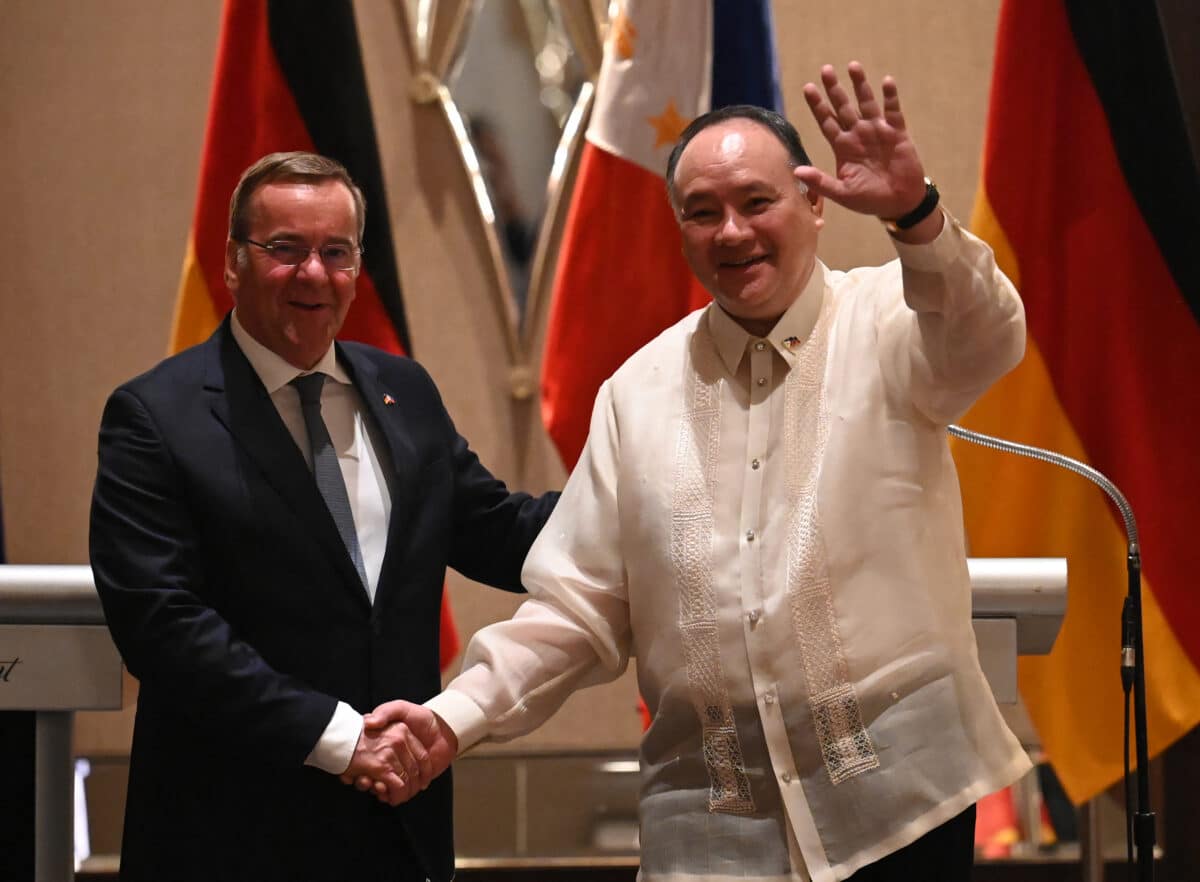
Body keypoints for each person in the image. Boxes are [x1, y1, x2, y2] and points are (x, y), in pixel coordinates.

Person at [366, 62, 1032, 881]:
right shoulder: (636, 394)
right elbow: (578, 608)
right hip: (713, 836)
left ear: (814, 204)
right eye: (703, 212)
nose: (732, 232)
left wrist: (916, 216)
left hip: (899, 812)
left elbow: (988, 338)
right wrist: (453, 718)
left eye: (757, 203)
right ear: (680, 229)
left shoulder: (892, 319)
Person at [89, 151, 556, 882]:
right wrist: (342, 739)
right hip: (230, 834)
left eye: (335, 253)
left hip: (398, 830)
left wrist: (639, 502)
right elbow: (161, 626)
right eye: (285, 249)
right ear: (234, 263)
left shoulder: (405, 392)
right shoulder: (156, 417)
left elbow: (502, 533)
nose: (313, 274)